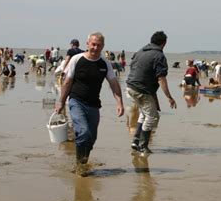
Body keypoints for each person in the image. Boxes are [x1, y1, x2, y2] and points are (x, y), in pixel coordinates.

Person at [55, 32, 124, 176]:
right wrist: (61, 101)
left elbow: (113, 83)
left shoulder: (104, 63)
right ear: (87, 44)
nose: (95, 47)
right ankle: (80, 165)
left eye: (98, 45)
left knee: (91, 138)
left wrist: (120, 103)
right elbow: (67, 82)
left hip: (94, 105)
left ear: (103, 46)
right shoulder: (76, 59)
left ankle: (83, 162)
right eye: (93, 44)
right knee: (84, 133)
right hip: (76, 101)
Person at [126, 31, 177, 155]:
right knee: (153, 117)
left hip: (130, 87)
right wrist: (169, 97)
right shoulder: (159, 56)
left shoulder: (141, 51)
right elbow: (161, 79)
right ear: (164, 43)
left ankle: (136, 141)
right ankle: (143, 146)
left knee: (144, 114)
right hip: (141, 90)